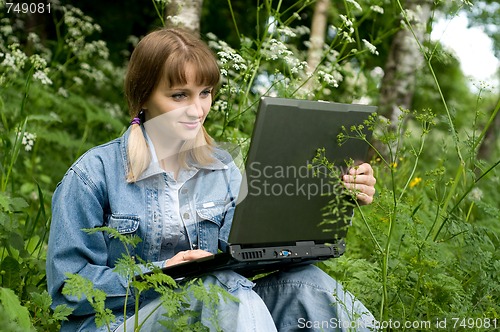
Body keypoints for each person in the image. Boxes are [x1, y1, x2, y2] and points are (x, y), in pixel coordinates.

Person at [46, 28, 378, 331]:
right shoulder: (93, 174)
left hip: (217, 309)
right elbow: (67, 289)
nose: (197, 109)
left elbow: (247, 257)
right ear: (144, 96)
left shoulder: (220, 168)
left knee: (310, 285)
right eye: (179, 95)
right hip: (120, 323)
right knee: (218, 290)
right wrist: (162, 273)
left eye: (204, 93)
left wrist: (331, 199)